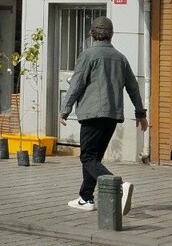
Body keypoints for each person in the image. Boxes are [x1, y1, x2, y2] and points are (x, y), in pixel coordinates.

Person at [60, 16, 149, 213]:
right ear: (111, 35)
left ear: (91, 34)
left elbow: (76, 84)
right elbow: (133, 87)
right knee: (94, 158)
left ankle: (119, 186)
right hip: (112, 115)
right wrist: (140, 113)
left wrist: (65, 110)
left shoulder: (88, 55)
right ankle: (85, 198)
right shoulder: (120, 58)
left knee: (87, 157)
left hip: (92, 114)